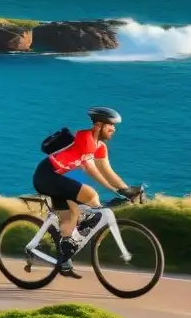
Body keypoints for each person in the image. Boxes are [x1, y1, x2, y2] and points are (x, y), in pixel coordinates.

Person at [33, 106, 141, 278]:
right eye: (110, 125)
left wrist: (126, 189)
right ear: (98, 125)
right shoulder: (84, 138)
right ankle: (79, 233)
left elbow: (107, 171)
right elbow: (90, 169)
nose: (113, 129)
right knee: (91, 195)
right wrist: (114, 190)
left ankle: (64, 259)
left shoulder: (100, 147)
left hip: (55, 179)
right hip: (46, 176)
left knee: (72, 215)